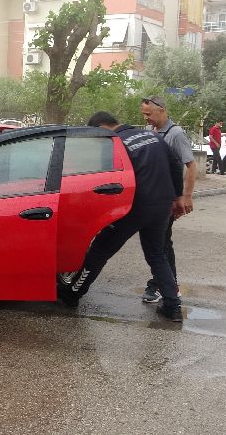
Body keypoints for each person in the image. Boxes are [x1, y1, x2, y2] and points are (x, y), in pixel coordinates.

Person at [58, 111, 185, 321]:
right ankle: (173, 306)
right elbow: (176, 165)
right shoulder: (153, 136)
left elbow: (108, 179)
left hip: (132, 207)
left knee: (100, 249)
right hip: (161, 206)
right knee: (157, 254)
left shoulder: (115, 143)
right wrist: (177, 196)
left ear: (101, 127)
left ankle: (73, 294)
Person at [139, 95, 196, 304]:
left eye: (148, 114)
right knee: (161, 243)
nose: (146, 118)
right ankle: (167, 284)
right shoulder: (147, 132)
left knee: (160, 244)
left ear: (161, 109)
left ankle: (162, 285)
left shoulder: (176, 134)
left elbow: (191, 165)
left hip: (167, 199)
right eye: (143, 114)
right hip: (150, 198)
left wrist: (186, 196)